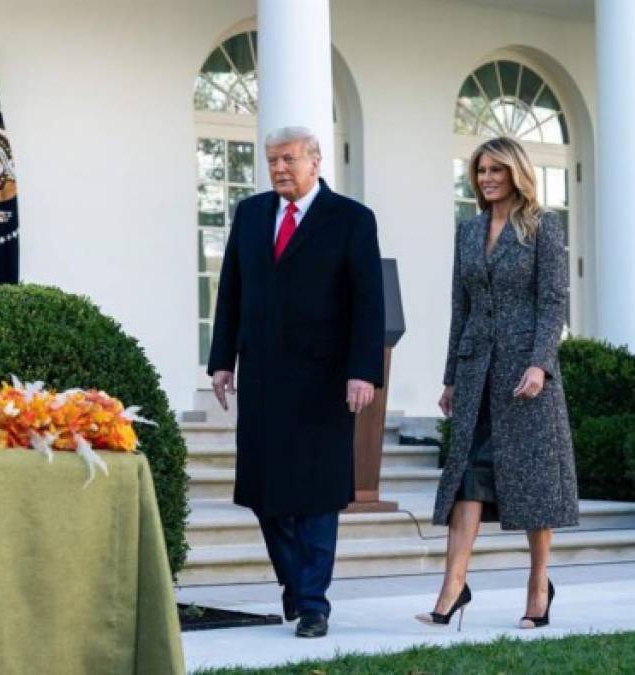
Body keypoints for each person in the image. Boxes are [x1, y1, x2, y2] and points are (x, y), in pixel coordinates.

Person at [208, 126, 384, 638]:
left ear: (315, 160)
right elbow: (231, 291)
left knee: (316, 492)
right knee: (264, 492)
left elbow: (368, 303)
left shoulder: (352, 219)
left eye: (288, 159)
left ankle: (312, 604)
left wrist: (363, 370)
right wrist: (222, 360)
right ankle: (296, 583)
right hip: (262, 375)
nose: (279, 168)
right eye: (271, 160)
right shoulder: (251, 214)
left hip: (325, 380)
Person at [417, 136, 579, 631]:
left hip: (524, 376)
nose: (486, 178)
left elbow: (553, 303)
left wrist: (540, 364)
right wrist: (450, 377)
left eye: (495, 170)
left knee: (533, 486)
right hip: (474, 371)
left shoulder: (542, 229)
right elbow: (459, 308)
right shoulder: (467, 232)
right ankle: (452, 588)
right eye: (481, 170)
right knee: (466, 475)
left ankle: (538, 583)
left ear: (516, 173)